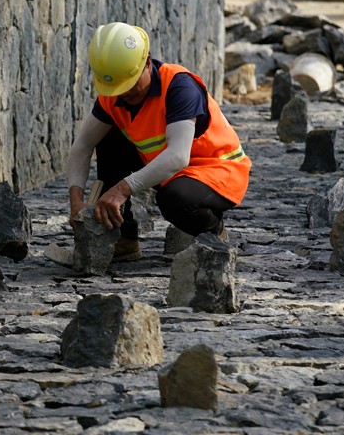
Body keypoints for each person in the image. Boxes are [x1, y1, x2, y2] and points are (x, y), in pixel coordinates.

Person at [65, 21, 252, 261]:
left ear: (147, 62)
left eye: (130, 84)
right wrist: (76, 201)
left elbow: (178, 156)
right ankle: (123, 238)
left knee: (174, 199)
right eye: (118, 87)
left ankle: (214, 235)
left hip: (218, 170)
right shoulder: (112, 96)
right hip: (172, 170)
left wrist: (121, 189)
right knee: (109, 137)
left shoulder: (179, 86)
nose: (125, 93)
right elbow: (82, 146)